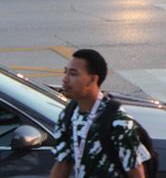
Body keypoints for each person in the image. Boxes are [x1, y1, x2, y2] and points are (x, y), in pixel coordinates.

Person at [50, 49, 149, 178]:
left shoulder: (118, 122)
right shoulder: (68, 115)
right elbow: (62, 164)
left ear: (92, 79)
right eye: (65, 72)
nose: (65, 79)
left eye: (73, 74)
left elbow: (136, 173)